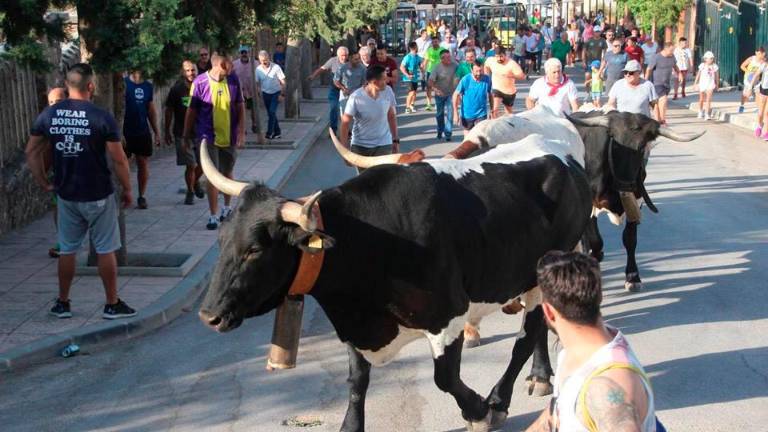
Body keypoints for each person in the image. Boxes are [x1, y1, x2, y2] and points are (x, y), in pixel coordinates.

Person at [26, 63, 136, 320]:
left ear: (67, 85)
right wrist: (128, 188)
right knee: (105, 248)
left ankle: (63, 303)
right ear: (90, 86)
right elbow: (119, 159)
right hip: (98, 193)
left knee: (67, 249)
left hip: (66, 194)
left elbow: (31, 151)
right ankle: (112, 303)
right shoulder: (101, 116)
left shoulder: (49, 115)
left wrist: (43, 181)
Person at [525, 251, 657, 432]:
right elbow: (557, 411)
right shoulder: (578, 351)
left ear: (547, 312)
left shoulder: (606, 386)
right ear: (599, 298)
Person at [184, 53, 246, 230]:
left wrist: (241, 132)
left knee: (227, 173)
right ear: (219, 65)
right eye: (229, 65)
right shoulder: (200, 83)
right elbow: (192, 111)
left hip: (229, 136)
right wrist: (186, 135)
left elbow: (240, 106)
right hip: (207, 137)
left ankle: (226, 208)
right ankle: (213, 215)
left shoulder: (233, 80)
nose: (232, 67)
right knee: (213, 176)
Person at [338, 65, 400, 174]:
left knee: (382, 179)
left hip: (383, 144)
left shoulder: (388, 91)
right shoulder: (356, 97)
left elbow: (391, 116)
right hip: (361, 146)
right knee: (365, 182)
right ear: (374, 82)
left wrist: (395, 140)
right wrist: (345, 151)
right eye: (384, 79)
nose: (387, 81)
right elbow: (345, 122)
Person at [164, 60, 203, 205]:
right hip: (182, 133)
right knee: (191, 164)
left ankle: (195, 181)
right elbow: (169, 110)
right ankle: (190, 191)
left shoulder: (202, 87)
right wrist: (166, 131)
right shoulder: (176, 90)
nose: (191, 73)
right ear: (183, 72)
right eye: (187, 70)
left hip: (200, 132)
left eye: (193, 70)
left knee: (203, 165)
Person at [123, 68, 160, 210]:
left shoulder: (148, 87)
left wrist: (156, 132)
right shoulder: (124, 84)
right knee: (124, 163)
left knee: (143, 163)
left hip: (142, 131)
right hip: (125, 132)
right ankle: (125, 192)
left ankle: (141, 196)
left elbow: (151, 110)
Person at [45, 87, 68, 258]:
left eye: (58, 102)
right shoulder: (48, 124)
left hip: (83, 174)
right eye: (51, 103)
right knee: (58, 208)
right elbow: (46, 151)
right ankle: (62, 242)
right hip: (60, 175)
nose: (54, 106)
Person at [309, 46, 349, 134]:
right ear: (338, 55)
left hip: (346, 89)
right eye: (342, 55)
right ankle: (333, 130)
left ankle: (346, 129)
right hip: (334, 88)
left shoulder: (350, 62)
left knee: (346, 110)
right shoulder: (333, 61)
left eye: (346, 55)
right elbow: (322, 69)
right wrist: (313, 76)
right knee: (334, 107)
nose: (344, 57)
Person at [453, 60, 493, 135]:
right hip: (467, 114)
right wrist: (455, 113)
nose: (479, 73)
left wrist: (492, 110)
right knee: (468, 138)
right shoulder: (465, 80)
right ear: (471, 70)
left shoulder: (487, 79)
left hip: (481, 114)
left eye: (480, 71)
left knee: (480, 136)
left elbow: (490, 94)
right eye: (476, 71)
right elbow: (455, 94)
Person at [484, 44, 526, 116]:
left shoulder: (511, 64)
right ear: (495, 56)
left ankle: (509, 125)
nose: (499, 58)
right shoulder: (491, 60)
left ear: (505, 55)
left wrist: (512, 75)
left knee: (508, 112)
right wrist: (487, 76)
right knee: (495, 109)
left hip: (509, 92)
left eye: (501, 56)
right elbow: (486, 65)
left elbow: (523, 76)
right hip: (497, 89)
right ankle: (494, 125)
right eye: (497, 56)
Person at [428, 49, 458, 141]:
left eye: (450, 56)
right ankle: (440, 130)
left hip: (451, 94)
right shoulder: (437, 67)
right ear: (442, 59)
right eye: (447, 57)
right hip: (440, 94)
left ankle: (448, 133)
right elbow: (430, 81)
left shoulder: (455, 65)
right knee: (439, 114)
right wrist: (436, 90)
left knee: (450, 113)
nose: (450, 59)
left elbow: (461, 73)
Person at [646, 42, 679, 125]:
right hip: (657, 83)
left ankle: (658, 121)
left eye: (673, 50)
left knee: (657, 104)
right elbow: (649, 69)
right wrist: (645, 81)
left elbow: (675, 66)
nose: (673, 52)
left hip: (666, 83)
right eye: (671, 50)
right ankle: (663, 120)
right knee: (663, 100)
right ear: (665, 49)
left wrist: (680, 74)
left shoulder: (672, 57)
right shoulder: (656, 57)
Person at [255, 50, 286, 140]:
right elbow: (257, 83)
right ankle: (277, 132)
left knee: (272, 112)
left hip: (276, 93)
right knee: (271, 114)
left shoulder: (276, 67)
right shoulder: (258, 70)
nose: (264, 62)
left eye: (266, 59)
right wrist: (258, 92)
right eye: (262, 60)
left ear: (269, 58)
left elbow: (283, 82)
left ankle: (269, 133)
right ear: (259, 61)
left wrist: (282, 94)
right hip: (265, 94)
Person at [232, 45, 257, 133]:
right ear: (240, 54)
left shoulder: (255, 63)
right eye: (242, 53)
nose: (244, 54)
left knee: (254, 111)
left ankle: (255, 125)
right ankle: (243, 128)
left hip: (253, 90)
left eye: (245, 52)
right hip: (240, 91)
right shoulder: (234, 64)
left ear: (249, 53)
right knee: (242, 110)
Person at [335, 51, 367, 115]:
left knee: (358, 116)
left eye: (359, 58)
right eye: (356, 59)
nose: (358, 61)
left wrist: (359, 91)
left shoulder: (363, 68)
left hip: (358, 95)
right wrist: (343, 88)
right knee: (344, 115)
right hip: (345, 94)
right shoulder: (342, 68)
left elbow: (365, 82)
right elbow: (336, 81)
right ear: (350, 59)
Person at [739, 48, 767, 114]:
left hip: (757, 80)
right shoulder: (751, 59)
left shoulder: (763, 61)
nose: (760, 55)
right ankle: (742, 105)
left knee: (758, 93)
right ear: (756, 53)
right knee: (746, 95)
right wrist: (748, 71)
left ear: (763, 54)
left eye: (761, 54)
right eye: (758, 53)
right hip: (748, 79)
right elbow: (742, 66)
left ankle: (758, 108)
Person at [693, 51, 719, 120]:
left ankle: (707, 114)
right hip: (702, 84)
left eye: (711, 58)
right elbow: (698, 74)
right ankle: (700, 111)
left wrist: (717, 85)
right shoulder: (702, 65)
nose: (710, 60)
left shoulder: (714, 66)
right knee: (701, 99)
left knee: (708, 100)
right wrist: (695, 83)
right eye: (708, 58)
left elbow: (716, 76)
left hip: (710, 84)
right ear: (705, 59)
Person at [400, 42, 424, 113]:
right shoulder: (407, 57)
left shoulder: (417, 57)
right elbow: (401, 67)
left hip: (415, 78)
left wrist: (423, 71)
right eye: (414, 47)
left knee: (414, 93)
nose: (416, 49)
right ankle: (407, 107)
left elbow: (421, 65)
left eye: (416, 47)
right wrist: (407, 75)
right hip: (408, 79)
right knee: (411, 92)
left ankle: (412, 105)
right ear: (411, 48)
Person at [422, 36, 443, 111]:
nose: (434, 43)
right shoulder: (429, 50)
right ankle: (428, 104)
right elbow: (426, 60)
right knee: (429, 88)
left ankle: (437, 103)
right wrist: (423, 69)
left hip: (439, 71)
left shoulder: (442, 50)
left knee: (438, 88)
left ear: (438, 42)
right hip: (430, 71)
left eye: (436, 42)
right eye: (433, 42)